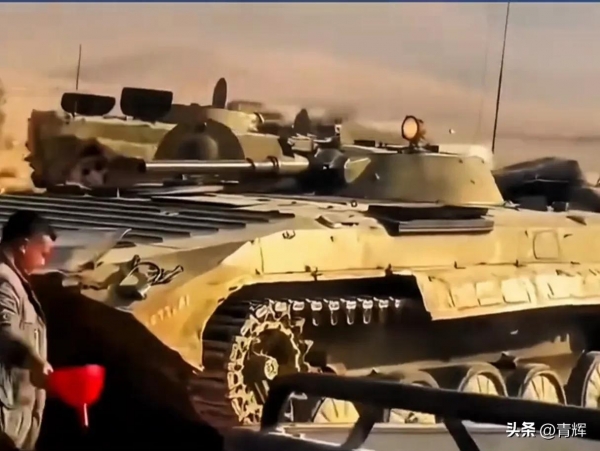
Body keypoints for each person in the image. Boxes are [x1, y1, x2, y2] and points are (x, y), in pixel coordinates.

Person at [0, 211, 56, 450]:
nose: (44, 263)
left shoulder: (15, 280)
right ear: (24, 246)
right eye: (43, 254)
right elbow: (4, 331)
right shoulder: (4, 281)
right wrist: (33, 361)